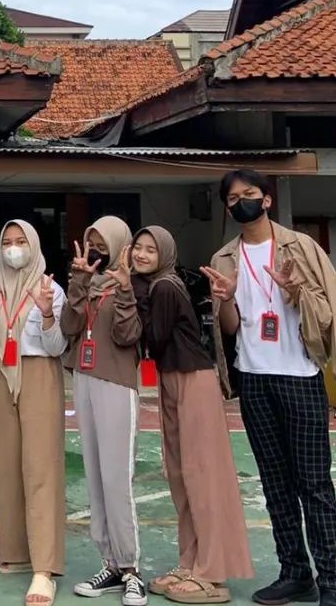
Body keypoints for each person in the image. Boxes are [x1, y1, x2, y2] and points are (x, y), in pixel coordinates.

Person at [201, 170, 336, 606]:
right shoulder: (224, 258)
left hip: (300, 376)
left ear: (266, 199)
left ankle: (331, 583)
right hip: (253, 379)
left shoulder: (301, 247)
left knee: (314, 485)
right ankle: (295, 573)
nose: (241, 202)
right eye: (233, 198)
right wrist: (225, 299)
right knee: (275, 484)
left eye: (249, 194)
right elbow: (231, 328)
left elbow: (331, 308)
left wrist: (295, 291)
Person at [131, 226, 253, 604]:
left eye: (151, 250)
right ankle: (191, 561)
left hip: (192, 380)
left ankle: (211, 573)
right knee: (181, 475)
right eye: (138, 247)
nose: (141, 254)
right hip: (173, 378)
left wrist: (131, 291)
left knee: (202, 477)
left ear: (165, 255)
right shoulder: (155, 286)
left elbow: (154, 338)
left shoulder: (164, 288)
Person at [0, 219, 67, 606]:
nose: (13, 248)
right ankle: (15, 552)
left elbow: (57, 346)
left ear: (33, 245)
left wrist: (46, 314)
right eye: (7, 242)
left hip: (38, 374)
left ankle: (44, 569)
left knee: (41, 468)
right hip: (0, 375)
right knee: (7, 466)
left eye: (21, 241)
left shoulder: (50, 288)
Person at [61, 217, 147, 606]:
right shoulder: (88, 283)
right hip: (83, 379)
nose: (96, 248)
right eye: (90, 241)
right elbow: (69, 327)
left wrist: (125, 290)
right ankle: (109, 563)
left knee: (116, 479)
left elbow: (128, 336)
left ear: (118, 245)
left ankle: (131, 569)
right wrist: (79, 282)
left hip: (116, 383)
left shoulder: (133, 284)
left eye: (102, 242)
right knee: (95, 478)